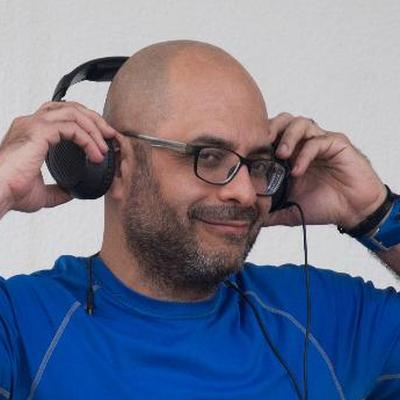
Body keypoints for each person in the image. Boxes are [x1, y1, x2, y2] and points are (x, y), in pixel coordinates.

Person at [0, 40, 399, 400]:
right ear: (115, 165)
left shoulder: (321, 318)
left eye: (258, 163)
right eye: (208, 156)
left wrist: (374, 212)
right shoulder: (21, 325)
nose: (245, 192)